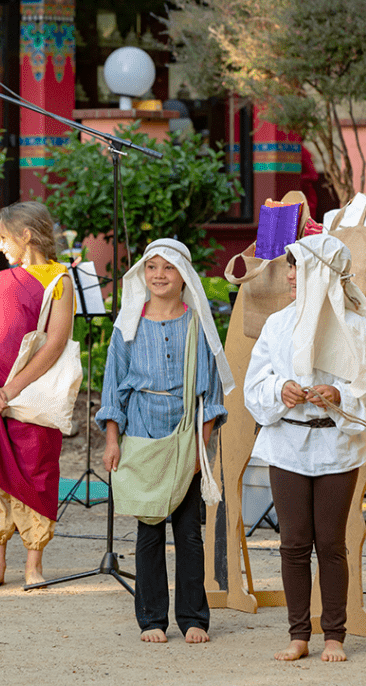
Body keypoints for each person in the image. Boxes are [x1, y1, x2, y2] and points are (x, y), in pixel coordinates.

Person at [243, 234, 366, 662]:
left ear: (323, 274)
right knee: (293, 541)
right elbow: (255, 384)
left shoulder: (359, 330)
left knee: (330, 542)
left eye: (299, 267)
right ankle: (298, 635)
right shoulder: (278, 325)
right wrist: (281, 388)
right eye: (290, 266)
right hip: (287, 443)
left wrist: (341, 395)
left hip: (336, 445)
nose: (290, 275)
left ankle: (334, 635)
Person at [95, 238, 235, 645]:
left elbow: (209, 393)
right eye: (152, 267)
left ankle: (194, 617)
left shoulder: (196, 324)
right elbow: (112, 389)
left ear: (183, 275)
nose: (159, 275)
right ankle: (152, 619)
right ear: (143, 274)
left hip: (185, 437)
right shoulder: (128, 325)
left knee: (190, 531)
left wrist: (200, 449)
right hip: (141, 435)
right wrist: (112, 439)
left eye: (168, 268)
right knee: (149, 529)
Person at [0, 201, 73, 589]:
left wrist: (13, 387)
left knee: (37, 472)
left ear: (26, 236)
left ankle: (33, 564)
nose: (2, 246)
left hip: (31, 397)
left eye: (6, 238)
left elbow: (55, 342)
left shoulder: (59, 279)